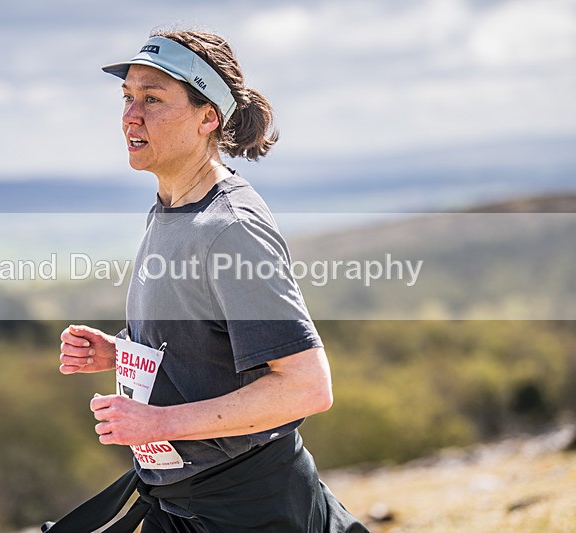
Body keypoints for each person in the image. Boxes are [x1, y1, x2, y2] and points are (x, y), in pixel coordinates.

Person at [47, 29, 368, 533]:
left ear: (207, 117)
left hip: (251, 510)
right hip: (180, 503)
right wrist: (121, 352)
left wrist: (160, 424)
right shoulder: (171, 210)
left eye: (153, 99)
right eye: (128, 97)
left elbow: (306, 387)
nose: (131, 115)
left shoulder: (229, 230)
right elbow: (212, 343)